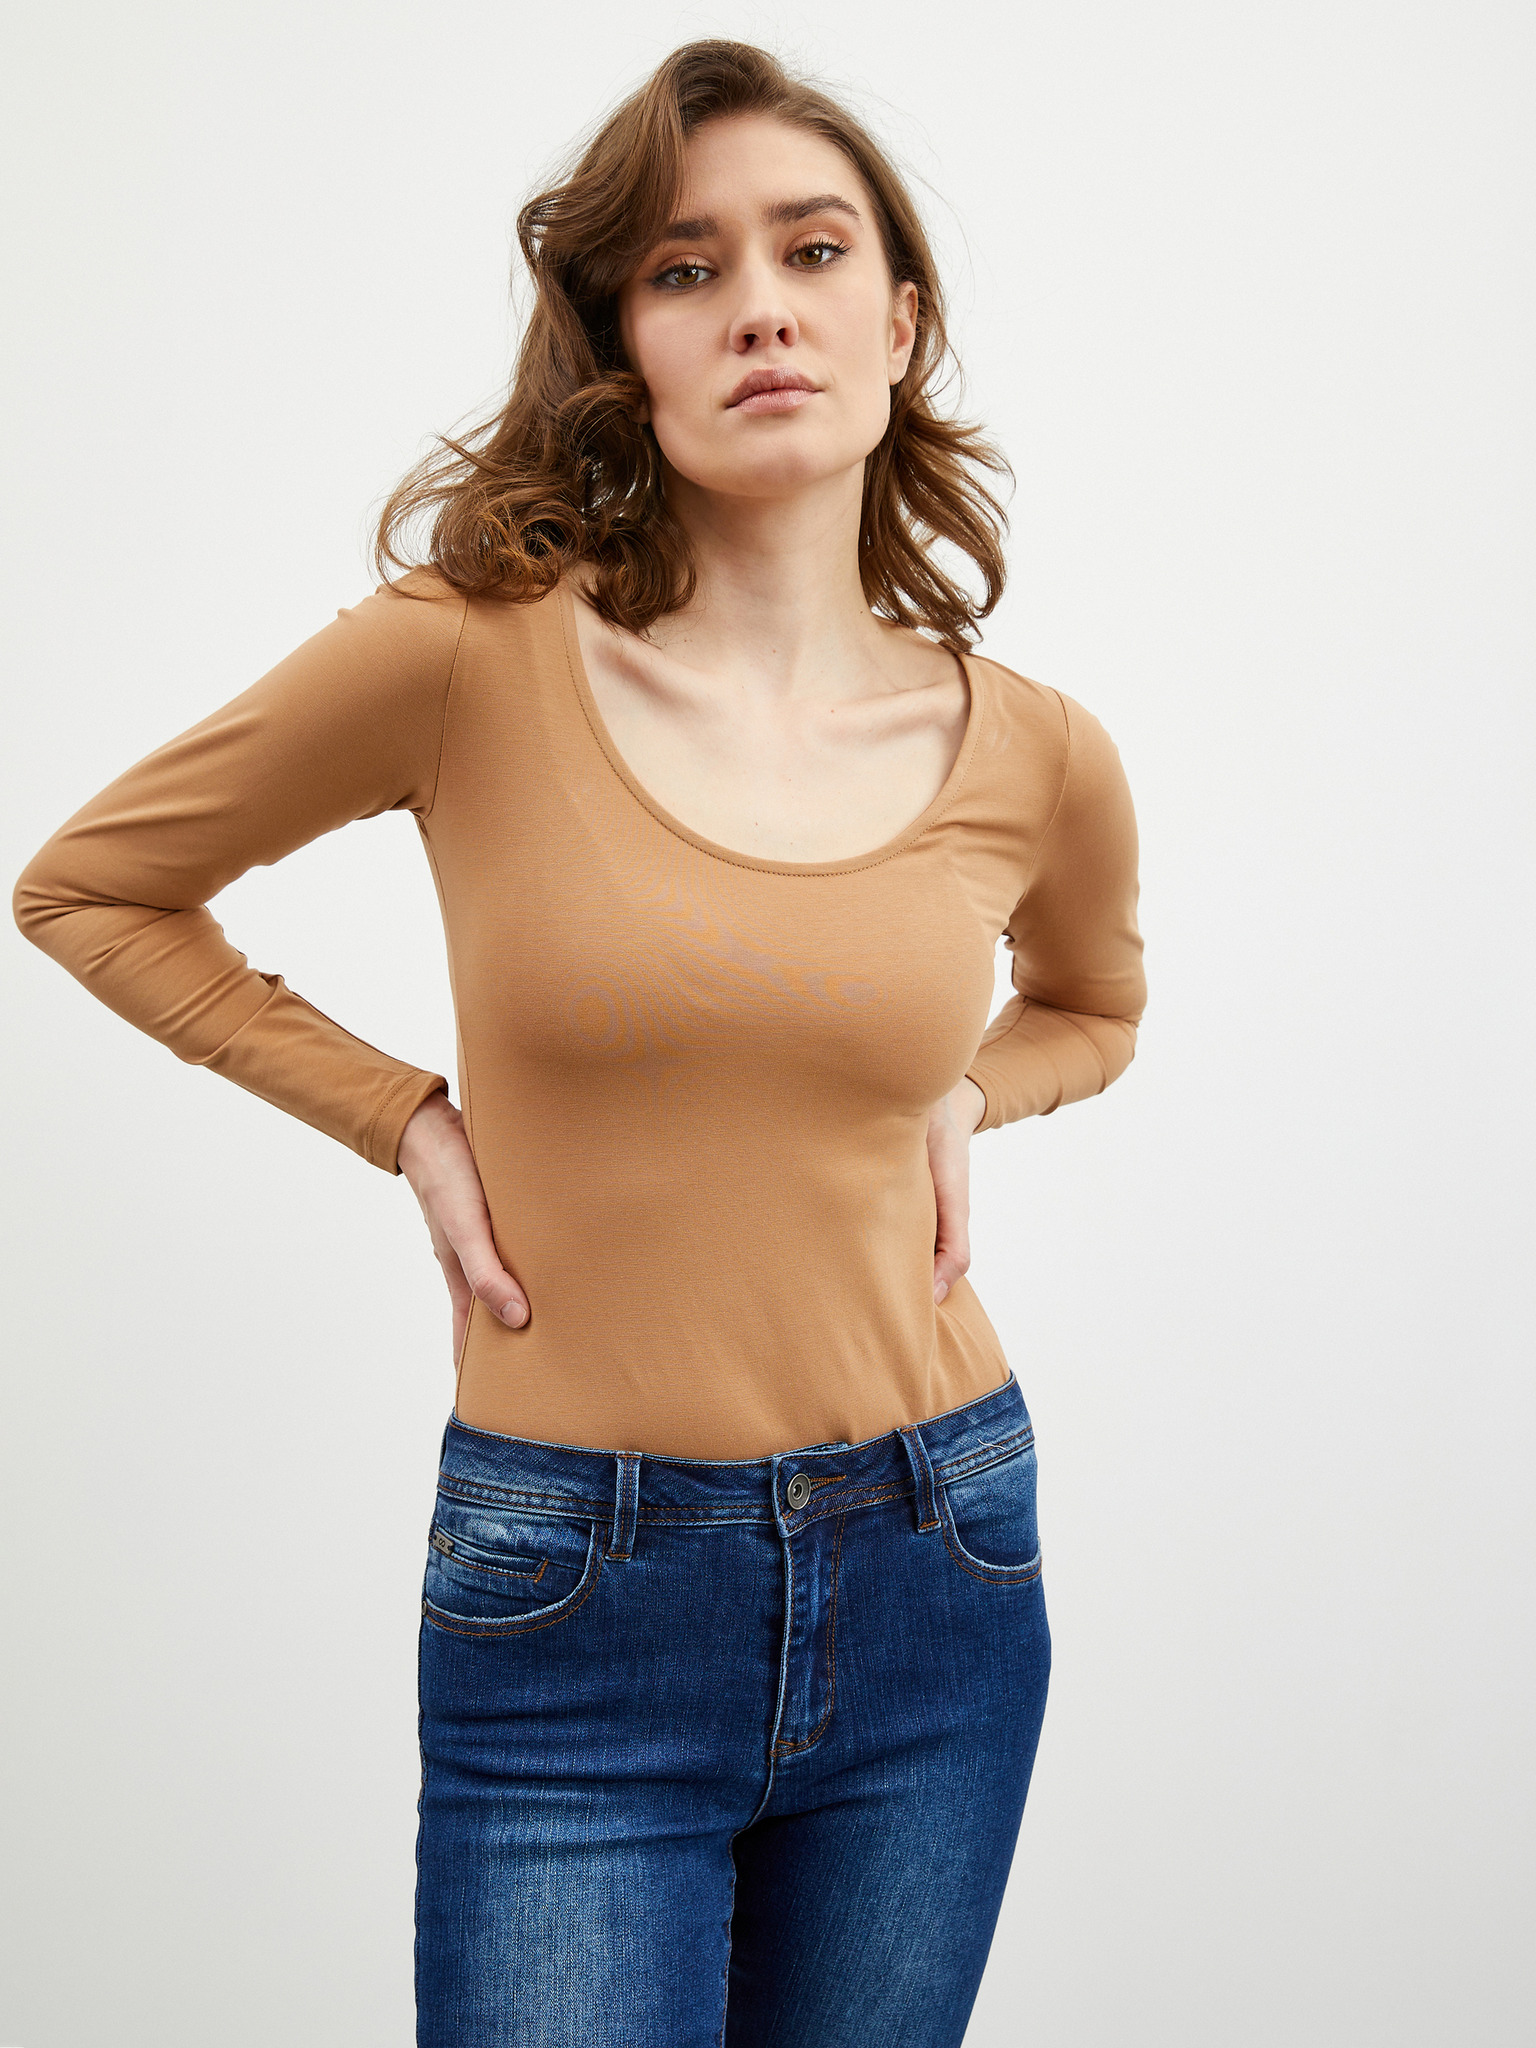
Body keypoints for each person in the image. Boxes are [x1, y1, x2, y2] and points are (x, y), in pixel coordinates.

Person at [12, 38, 1146, 2048]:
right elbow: (90, 887)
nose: (761, 306)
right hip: (573, 1589)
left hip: (937, 1562)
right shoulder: (462, 655)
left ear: (899, 323)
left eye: (813, 249)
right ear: (625, 344)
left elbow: (1095, 1006)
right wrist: (404, 1120)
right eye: (686, 269)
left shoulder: (1036, 747)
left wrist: (973, 1090)